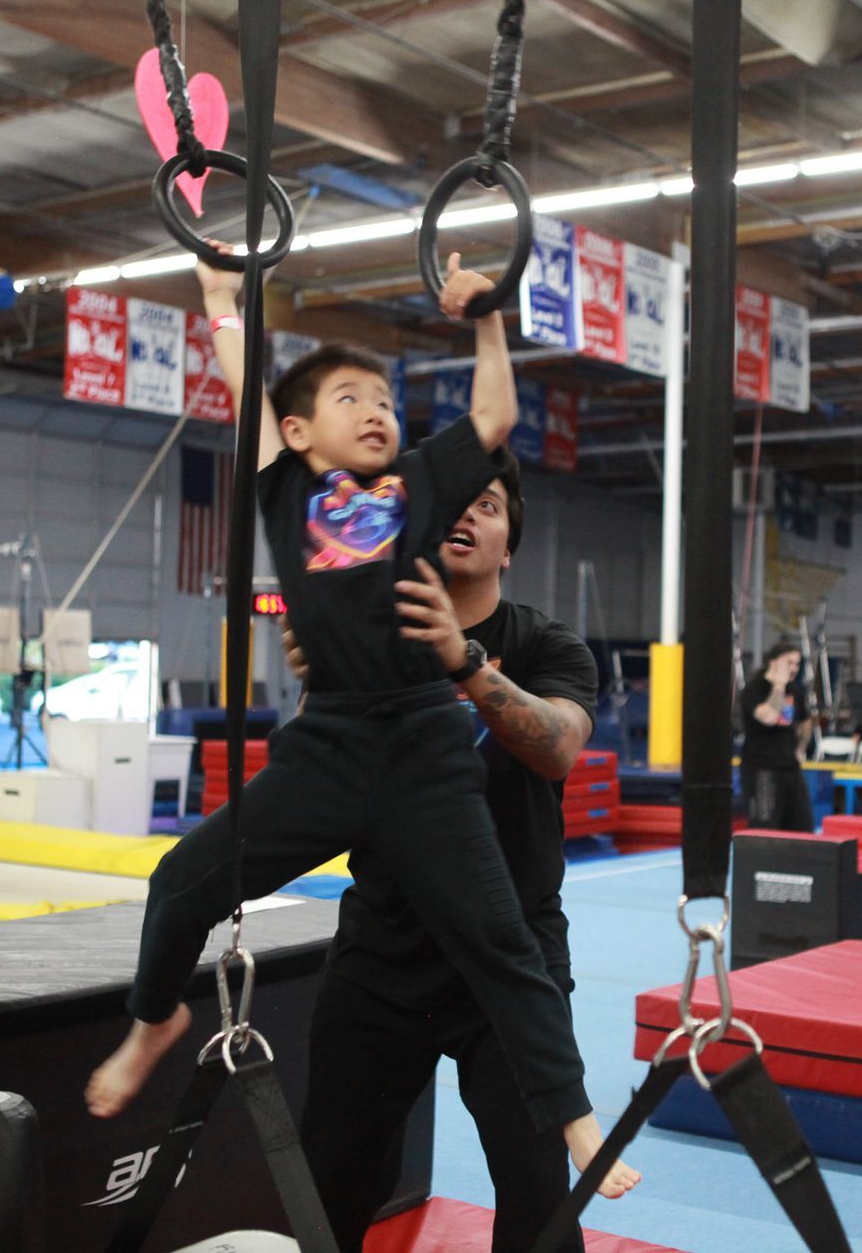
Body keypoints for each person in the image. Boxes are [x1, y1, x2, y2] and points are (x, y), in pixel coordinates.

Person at [86, 253, 634, 1208]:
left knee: (504, 942)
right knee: (179, 880)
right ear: (300, 432)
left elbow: (495, 419)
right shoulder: (284, 489)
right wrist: (222, 296)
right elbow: (240, 379)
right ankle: (151, 1020)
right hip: (331, 744)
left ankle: (576, 1115)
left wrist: (488, 320)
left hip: (422, 748)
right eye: (352, 398)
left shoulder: (416, 488)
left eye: (385, 397)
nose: (378, 409)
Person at [282, 452, 628, 1250]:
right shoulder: (367, 647)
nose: (467, 517)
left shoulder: (548, 646)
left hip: (513, 959)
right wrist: (322, 684)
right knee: (331, 1182)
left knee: (539, 1197)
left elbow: (559, 749)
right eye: (448, 504)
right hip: (384, 950)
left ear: (509, 545)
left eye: (490, 506)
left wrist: (464, 663)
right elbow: (317, 788)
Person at [739, 641, 814, 831]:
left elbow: (806, 722)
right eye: (789, 663)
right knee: (765, 825)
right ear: (773, 662)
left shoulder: (795, 691)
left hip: (790, 767)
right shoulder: (754, 689)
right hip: (762, 768)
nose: (794, 669)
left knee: (802, 826)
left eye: (797, 664)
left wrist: (800, 749)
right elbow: (770, 717)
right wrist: (779, 686)